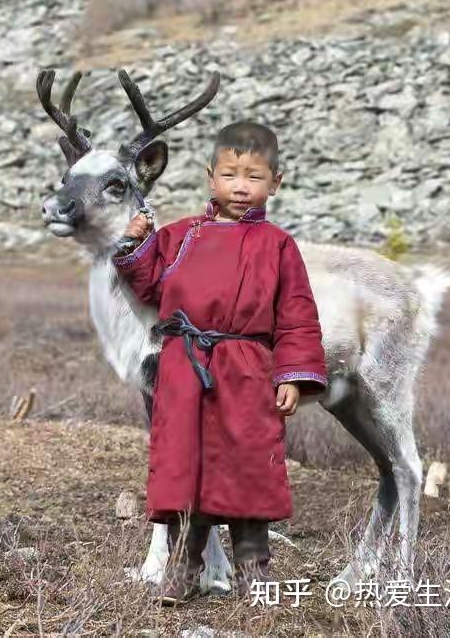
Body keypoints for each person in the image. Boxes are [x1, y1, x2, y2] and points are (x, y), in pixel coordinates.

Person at [112, 121, 327, 605]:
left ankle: (256, 574)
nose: (241, 186)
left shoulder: (278, 244)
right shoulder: (181, 235)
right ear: (211, 177)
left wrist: (293, 374)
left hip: (247, 366)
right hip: (186, 369)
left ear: (276, 183)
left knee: (249, 464)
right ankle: (185, 570)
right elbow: (148, 286)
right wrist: (134, 244)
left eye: (254, 177)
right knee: (188, 466)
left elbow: (297, 313)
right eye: (231, 175)